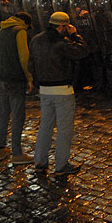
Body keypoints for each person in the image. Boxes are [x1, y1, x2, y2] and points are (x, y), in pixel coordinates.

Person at [29, 11, 89, 177]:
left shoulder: (36, 40)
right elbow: (82, 51)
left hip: (44, 90)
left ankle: (40, 162)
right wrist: (75, 34)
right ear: (62, 26)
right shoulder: (61, 42)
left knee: (45, 127)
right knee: (64, 129)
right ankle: (61, 165)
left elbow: (31, 63)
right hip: (62, 89)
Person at [0, 12, 35, 165]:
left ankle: (1, 149)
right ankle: (17, 153)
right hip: (15, 79)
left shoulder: (1, 30)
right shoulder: (20, 31)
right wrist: (30, 78)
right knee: (18, 116)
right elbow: (24, 58)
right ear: (25, 22)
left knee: (4, 113)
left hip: (1, 77)